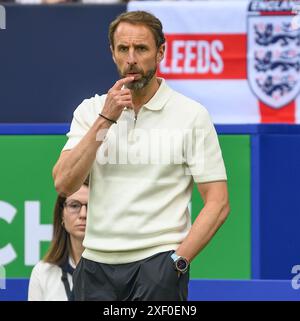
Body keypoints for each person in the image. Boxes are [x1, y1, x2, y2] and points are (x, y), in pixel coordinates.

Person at [53, 10, 230, 301]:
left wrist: (178, 262)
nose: (131, 58)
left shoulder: (191, 114)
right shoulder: (90, 111)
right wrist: (105, 120)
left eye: (141, 48)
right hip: (95, 265)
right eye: (123, 49)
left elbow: (218, 202)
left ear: (161, 52)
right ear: (112, 53)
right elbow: (64, 183)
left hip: (158, 265)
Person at [28, 179, 89, 301]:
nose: (83, 214)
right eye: (74, 205)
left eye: (91, 206)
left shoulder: (117, 270)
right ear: (61, 214)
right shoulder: (43, 272)